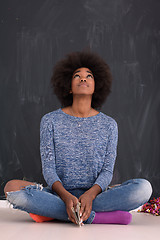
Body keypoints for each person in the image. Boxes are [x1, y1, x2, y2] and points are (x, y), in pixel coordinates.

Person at [4, 51, 152, 226]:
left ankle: (55, 213)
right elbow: (49, 169)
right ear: (69, 86)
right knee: (11, 188)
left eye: (89, 76)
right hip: (59, 194)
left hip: (97, 195)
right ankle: (95, 216)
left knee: (143, 189)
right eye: (77, 76)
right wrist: (66, 197)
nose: (83, 79)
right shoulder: (50, 121)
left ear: (96, 86)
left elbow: (107, 171)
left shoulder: (109, 125)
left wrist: (90, 195)